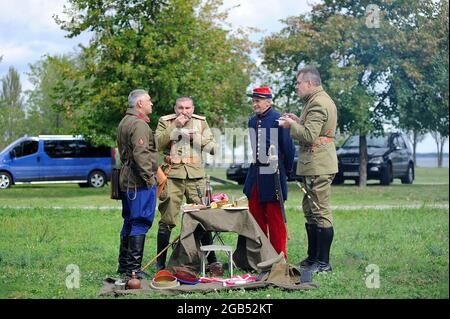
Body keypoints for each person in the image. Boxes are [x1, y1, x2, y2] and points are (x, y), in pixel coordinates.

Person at [278, 66, 338, 273]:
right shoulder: (315, 101)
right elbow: (312, 129)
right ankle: (313, 259)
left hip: (318, 165)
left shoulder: (318, 103)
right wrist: (297, 121)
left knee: (320, 211)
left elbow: (310, 136)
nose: (296, 87)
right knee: (310, 211)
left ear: (310, 83)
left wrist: (290, 126)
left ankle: (323, 263)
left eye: (298, 83)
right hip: (314, 164)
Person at [155, 96, 217, 270]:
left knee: (203, 218)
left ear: (193, 108)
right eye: (180, 108)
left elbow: (213, 148)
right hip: (172, 175)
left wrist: (193, 138)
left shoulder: (201, 122)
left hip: (195, 176)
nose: (184, 112)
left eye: (188, 108)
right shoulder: (165, 121)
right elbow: (156, 144)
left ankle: (212, 261)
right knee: (167, 220)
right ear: (175, 108)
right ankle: (160, 264)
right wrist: (176, 128)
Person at [243, 87, 295, 258]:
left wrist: (287, 170)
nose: (254, 104)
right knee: (256, 215)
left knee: (275, 218)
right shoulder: (252, 121)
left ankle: (279, 255)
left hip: (273, 173)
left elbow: (288, 148)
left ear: (269, 101)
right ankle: (262, 255)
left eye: (258, 100)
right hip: (256, 173)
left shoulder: (278, 120)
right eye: (253, 100)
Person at [116, 89, 158, 278]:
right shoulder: (139, 124)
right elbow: (141, 155)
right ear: (140, 104)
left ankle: (124, 267)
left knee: (130, 220)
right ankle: (133, 269)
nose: (151, 104)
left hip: (127, 179)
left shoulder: (125, 120)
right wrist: (149, 179)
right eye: (149, 100)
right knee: (140, 221)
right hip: (138, 182)